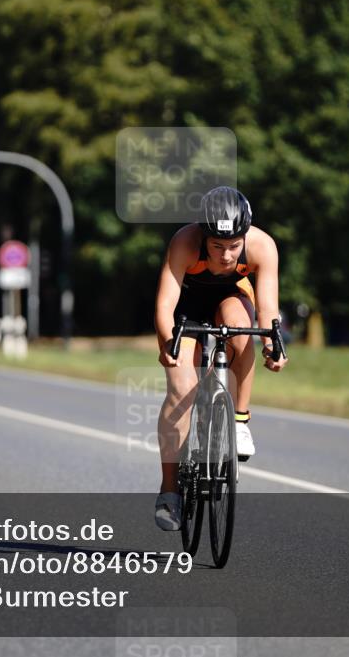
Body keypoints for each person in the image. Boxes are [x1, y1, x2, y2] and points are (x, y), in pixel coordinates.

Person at [152, 186, 288, 531]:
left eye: (233, 247)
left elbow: (268, 310)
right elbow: (165, 305)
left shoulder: (262, 246)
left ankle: (239, 420)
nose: (226, 256)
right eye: (217, 246)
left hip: (231, 297)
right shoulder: (185, 242)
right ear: (204, 236)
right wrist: (169, 343)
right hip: (187, 306)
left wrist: (274, 344)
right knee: (181, 391)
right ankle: (170, 490)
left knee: (241, 327)